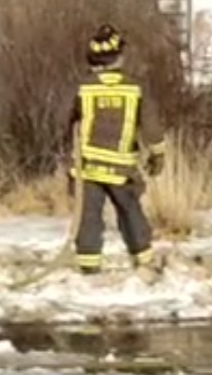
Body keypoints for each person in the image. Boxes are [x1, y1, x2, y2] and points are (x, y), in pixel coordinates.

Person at [65, 24, 166, 275]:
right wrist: (157, 153)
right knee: (131, 213)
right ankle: (144, 262)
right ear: (120, 56)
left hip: (88, 168)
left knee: (88, 217)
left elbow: (67, 122)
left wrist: (67, 160)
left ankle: (89, 267)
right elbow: (150, 126)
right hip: (122, 169)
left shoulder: (84, 88)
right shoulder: (134, 88)